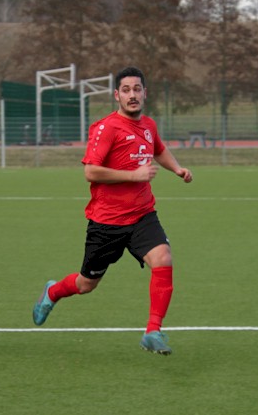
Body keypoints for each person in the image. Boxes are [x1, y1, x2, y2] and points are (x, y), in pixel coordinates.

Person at [31, 66, 193, 356]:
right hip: (106, 222)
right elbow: (91, 172)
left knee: (164, 257)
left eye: (137, 89)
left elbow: (159, 149)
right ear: (116, 95)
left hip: (143, 214)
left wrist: (177, 168)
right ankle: (53, 292)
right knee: (87, 283)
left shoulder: (149, 126)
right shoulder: (106, 128)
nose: (133, 95)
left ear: (145, 92)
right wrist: (134, 176)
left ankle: (153, 331)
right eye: (126, 90)